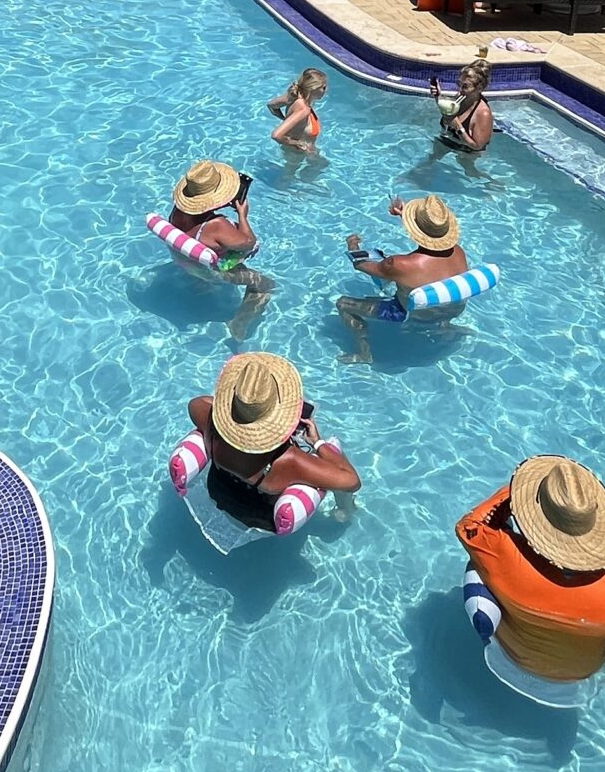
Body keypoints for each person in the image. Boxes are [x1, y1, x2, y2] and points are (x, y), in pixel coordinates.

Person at [457, 457, 605, 688]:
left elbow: (468, 527)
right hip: (582, 672)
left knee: (478, 562)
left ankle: (484, 616)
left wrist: (513, 493)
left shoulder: (504, 554)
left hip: (513, 654)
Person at [182, 352, 362, 530]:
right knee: (333, 447)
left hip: (220, 492)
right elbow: (352, 481)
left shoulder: (208, 421)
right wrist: (317, 442)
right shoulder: (291, 461)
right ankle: (345, 510)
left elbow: (198, 402)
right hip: (262, 517)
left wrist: (238, 413)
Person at [336, 194, 470, 361]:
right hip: (450, 310)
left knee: (343, 304)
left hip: (410, 315)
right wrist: (404, 214)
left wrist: (352, 245)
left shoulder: (400, 264)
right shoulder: (458, 252)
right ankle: (445, 327)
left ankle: (364, 354)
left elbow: (360, 263)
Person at [161, 159, 276, 339]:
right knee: (265, 285)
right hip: (212, 271)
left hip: (188, 265)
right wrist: (242, 215)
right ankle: (238, 324)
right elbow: (248, 243)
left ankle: (201, 285)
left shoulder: (178, 211)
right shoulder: (216, 225)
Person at [433, 54, 496, 153]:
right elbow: (447, 113)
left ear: (479, 88)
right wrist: (438, 96)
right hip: (448, 140)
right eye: (459, 84)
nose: (460, 90)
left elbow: (477, 146)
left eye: (465, 86)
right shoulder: (461, 97)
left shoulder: (483, 113)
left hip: (467, 152)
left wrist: (458, 126)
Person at [267, 68, 329, 153]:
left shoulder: (292, 97)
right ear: (313, 88)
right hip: (297, 154)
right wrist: (297, 144)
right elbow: (276, 135)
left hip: (299, 151)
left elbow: (271, 106)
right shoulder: (303, 110)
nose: (326, 91)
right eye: (324, 87)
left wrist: (286, 119)